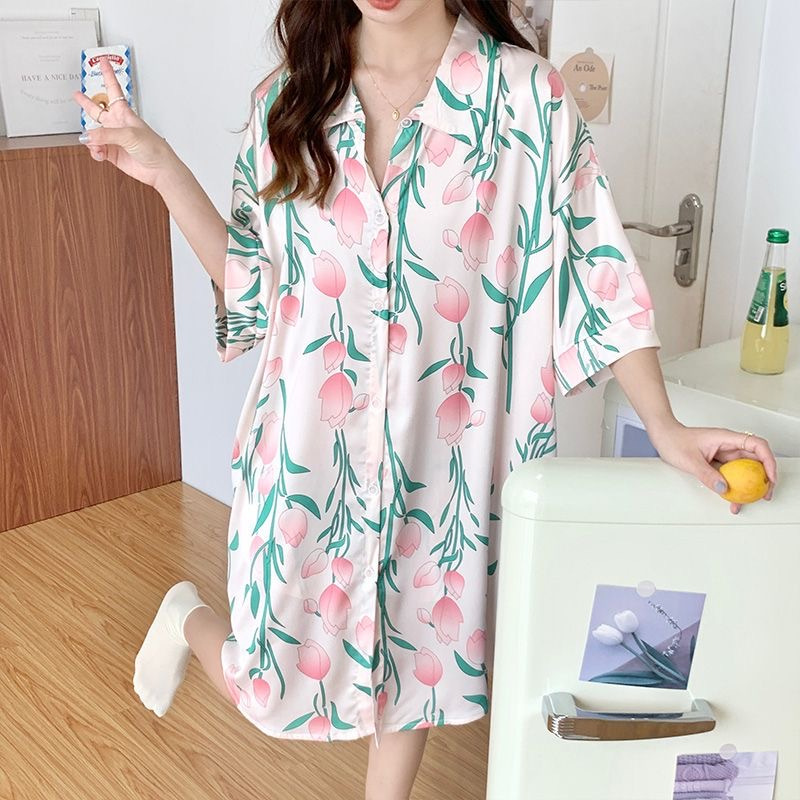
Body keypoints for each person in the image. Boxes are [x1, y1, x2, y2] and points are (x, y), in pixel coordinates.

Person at [72, 1, 777, 798]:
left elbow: (599, 268)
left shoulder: (525, 100)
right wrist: (164, 167)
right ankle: (188, 616)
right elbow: (250, 283)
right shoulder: (290, 102)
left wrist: (665, 426)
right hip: (307, 455)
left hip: (445, 461)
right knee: (265, 686)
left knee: (416, 671)